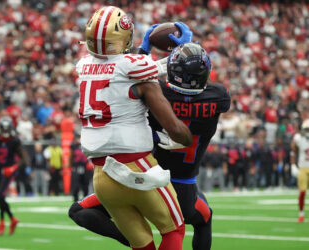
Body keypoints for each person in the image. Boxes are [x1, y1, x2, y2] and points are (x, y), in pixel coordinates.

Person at [69, 23, 230, 250]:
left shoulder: (158, 91)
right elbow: (203, 84)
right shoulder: (219, 98)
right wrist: (188, 50)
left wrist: (146, 49)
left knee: (79, 211)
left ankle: (128, 237)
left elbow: (131, 75)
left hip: (146, 174)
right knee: (204, 219)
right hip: (184, 188)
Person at [0, 116, 29, 235]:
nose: (5, 132)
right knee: (0, 198)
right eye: (3, 129)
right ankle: (11, 219)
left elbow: (24, 158)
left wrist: (14, 167)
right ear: (0, 128)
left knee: (0, 196)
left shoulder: (14, 141)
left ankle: (2, 222)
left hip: (8, 172)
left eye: (7, 129)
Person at [291, 119, 309, 223]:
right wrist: (293, 165)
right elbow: (293, 152)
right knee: (302, 192)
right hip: (303, 167)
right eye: (306, 129)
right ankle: (301, 214)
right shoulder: (298, 139)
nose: (307, 132)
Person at [70, 134, 91, 201]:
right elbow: (71, 156)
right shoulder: (74, 146)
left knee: (85, 186)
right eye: (79, 137)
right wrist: (71, 165)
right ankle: (75, 200)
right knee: (76, 186)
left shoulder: (87, 145)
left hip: (85, 168)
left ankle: (85, 201)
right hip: (76, 168)